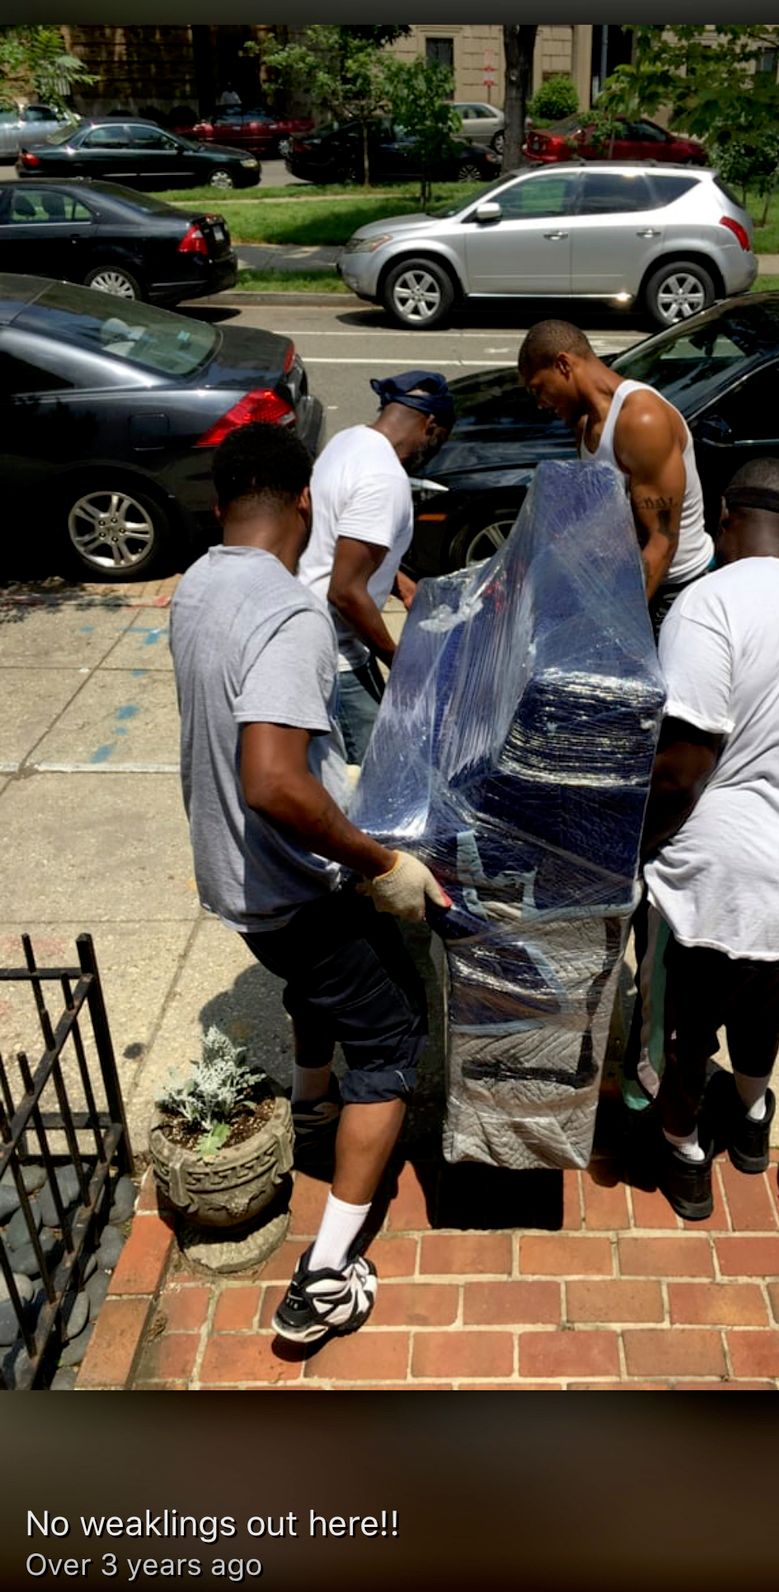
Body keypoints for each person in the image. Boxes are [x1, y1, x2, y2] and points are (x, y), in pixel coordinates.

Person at [169, 422, 450, 1344]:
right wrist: (383, 864)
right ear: (305, 505)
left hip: (232, 872)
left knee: (321, 984)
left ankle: (312, 1101)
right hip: (288, 883)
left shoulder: (198, 585)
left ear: (219, 507)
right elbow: (275, 779)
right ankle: (322, 1279)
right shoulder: (291, 614)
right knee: (393, 1024)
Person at [635, 458, 779, 1220]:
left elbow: (680, 771)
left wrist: (635, 850)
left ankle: (684, 1155)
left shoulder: (708, 604)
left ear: (728, 517)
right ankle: (748, 1122)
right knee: (764, 1017)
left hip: (719, 886)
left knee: (684, 1036)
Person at [297, 370, 454, 763]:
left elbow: (336, 530)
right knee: (379, 772)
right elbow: (345, 592)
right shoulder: (386, 479)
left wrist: (396, 577)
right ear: (431, 426)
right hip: (335, 654)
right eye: (439, 442)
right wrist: (398, 660)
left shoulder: (347, 441)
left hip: (315, 634)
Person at [517, 319, 711, 634]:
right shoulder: (584, 427)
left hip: (672, 593)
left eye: (539, 388)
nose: (540, 404)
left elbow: (661, 544)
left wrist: (608, 629)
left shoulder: (641, 420)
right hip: (624, 583)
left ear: (564, 365)